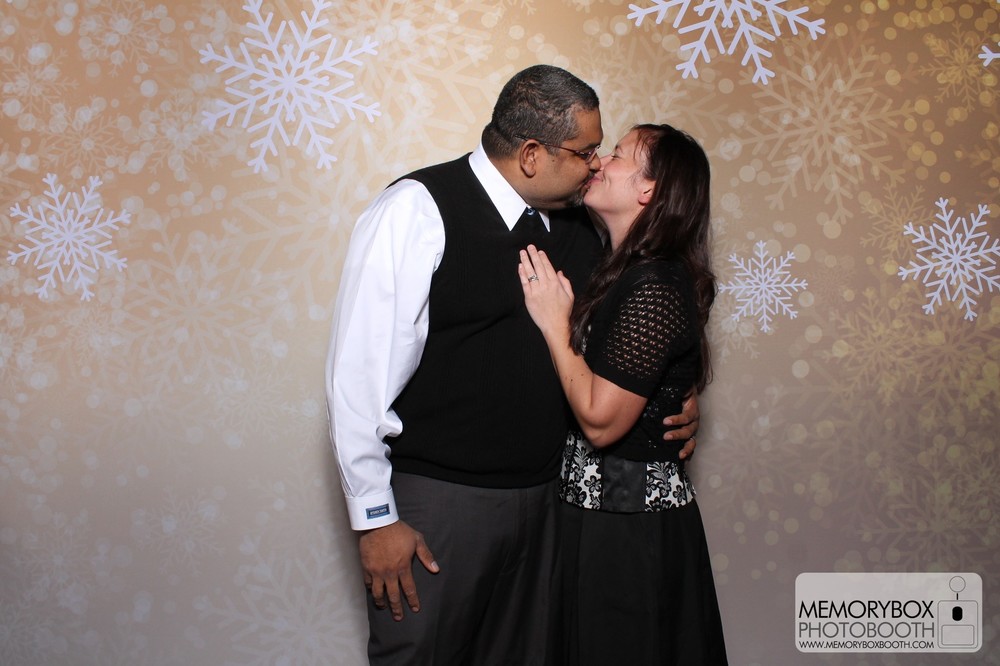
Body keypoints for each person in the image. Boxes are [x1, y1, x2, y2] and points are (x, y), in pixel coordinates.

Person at [326, 67, 700, 665]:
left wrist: (669, 397)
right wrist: (375, 520)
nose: (596, 165)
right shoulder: (417, 209)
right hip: (442, 507)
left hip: (552, 506)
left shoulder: (584, 226)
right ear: (531, 155)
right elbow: (357, 378)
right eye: (584, 152)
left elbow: (626, 342)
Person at [518, 123, 728, 664]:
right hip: (594, 515)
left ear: (648, 189)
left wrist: (555, 323)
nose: (599, 163)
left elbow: (601, 422)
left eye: (617, 155)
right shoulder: (620, 270)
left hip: (628, 526)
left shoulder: (654, 283)